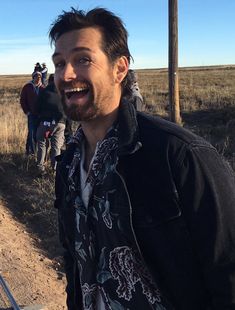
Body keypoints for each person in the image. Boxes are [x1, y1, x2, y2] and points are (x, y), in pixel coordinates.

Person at [49, 7, 235, 310]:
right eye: (59, 63)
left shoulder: (180, 156)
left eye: (82, 59)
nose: (66, 74)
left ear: (119, 69)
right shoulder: (69, 164)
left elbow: (227, 273)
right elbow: (75, 259)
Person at [35, 74, 66, 174]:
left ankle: (41, 168)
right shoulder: (64, 93)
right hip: (60, 123)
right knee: (56, 147)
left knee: (41, 144)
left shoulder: (43, 92)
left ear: (49, 81)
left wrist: (39, 119)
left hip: (44, 122)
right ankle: (55, 169)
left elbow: (37, 108)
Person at [20, 71, 44, 155]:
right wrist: (27, 112)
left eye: (40, 77)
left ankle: (31, 151)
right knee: (32, 133)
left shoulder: (43, 88)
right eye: (36, 77)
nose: (38, 79)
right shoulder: (27, 87)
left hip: (41, 116)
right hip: (31, 115)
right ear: (33, 77)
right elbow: (23, 100)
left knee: (38, 134)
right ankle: (31, 152)